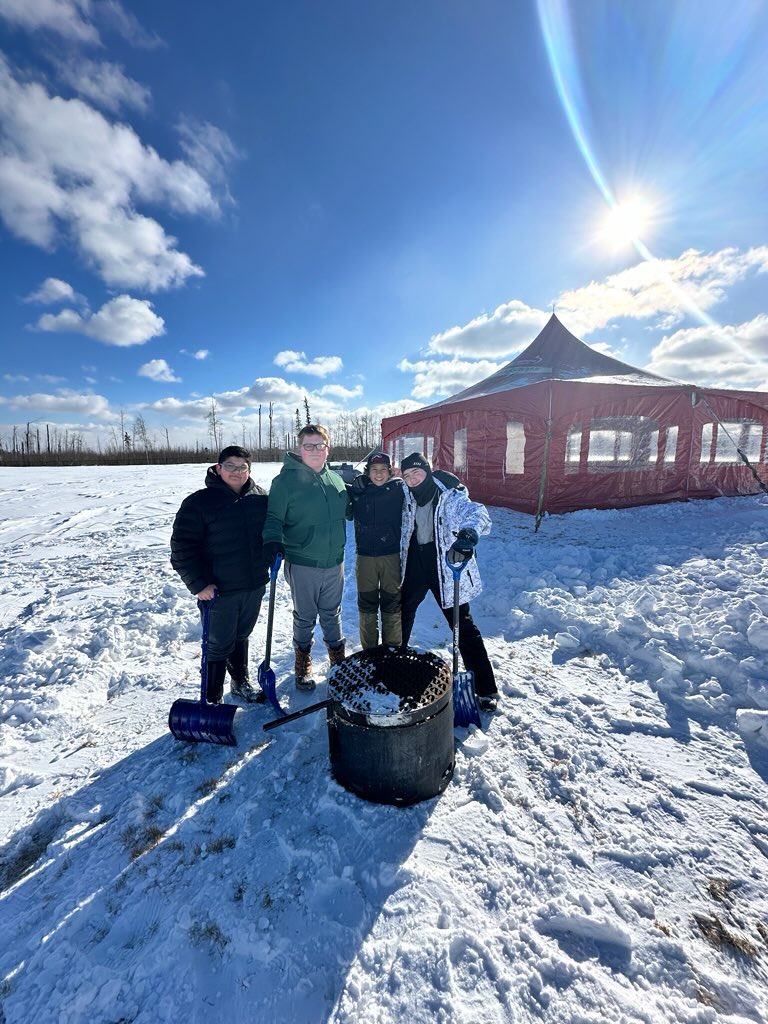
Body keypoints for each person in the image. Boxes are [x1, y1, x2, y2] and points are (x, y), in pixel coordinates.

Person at [399, 452, 499, 711]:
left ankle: (485, 688)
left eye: (417, 474)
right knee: (402, 612)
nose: (412, 480)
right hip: (415, 562)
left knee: (461, 624)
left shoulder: (448, 494)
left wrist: (467, 535)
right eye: (407, 476)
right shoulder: (406, 493)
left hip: (445, 561)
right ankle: (396, 665)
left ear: (428, 472)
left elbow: (477, 512)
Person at [170, 445, 268, 704]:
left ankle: (240, 683)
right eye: (230, 466)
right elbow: (181, 548)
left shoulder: (260, 498)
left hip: (253, 585)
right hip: (219, 590)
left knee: (240, 636)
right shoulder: (199, 502)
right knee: (217, 644)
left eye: (242, 467)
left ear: (249, 470)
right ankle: (212, 698)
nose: (237, 472)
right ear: (218, 468)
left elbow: (271, 534)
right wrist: (199, 584)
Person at [261, 424, 349, 690]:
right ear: (300, 449)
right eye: (308, 446)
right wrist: (273, 541)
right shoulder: (285, 481)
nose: (314, 451)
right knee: (305, 616)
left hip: (335, 561)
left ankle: (338, 662)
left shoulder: (334, 478)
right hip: (303, 563)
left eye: (319, 446)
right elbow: (273, 518)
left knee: (332, 614)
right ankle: (302, 663)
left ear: (327, 449)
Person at [347, 451, 404, 648]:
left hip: (391, 555)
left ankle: (393, 647)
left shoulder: (398, 489)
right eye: (373, 470)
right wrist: (355, 487)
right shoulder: (358, 491)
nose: (378, 474)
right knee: (367, 605)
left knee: (392, 603)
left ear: (390, 471)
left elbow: (421, 484)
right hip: (365, 558)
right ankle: (369, 650)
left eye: (382, 470)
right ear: (367, 471)